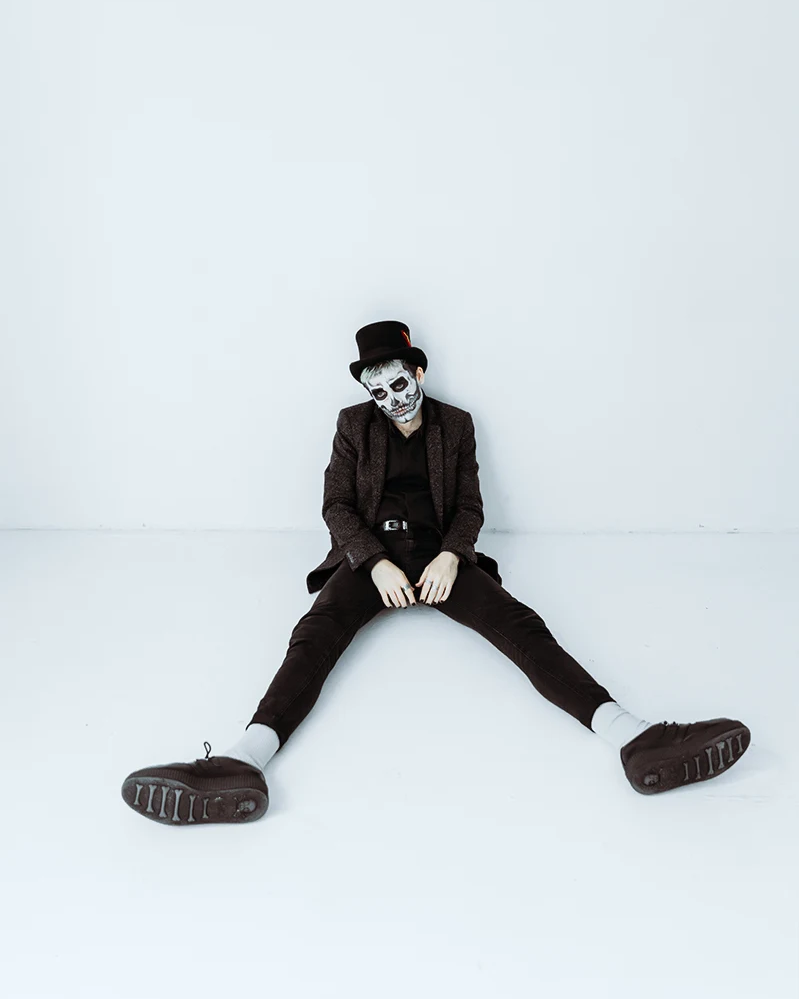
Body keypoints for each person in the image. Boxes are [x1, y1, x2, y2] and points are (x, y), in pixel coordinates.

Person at [121, 320, 751, 826]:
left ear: (417, 371)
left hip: (440, 553)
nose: (391, 401)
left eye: (398, 384)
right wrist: (372, 563)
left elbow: (471, 506)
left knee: (520, 626)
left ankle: (636, 737)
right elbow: (336, 505)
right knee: (313, 636)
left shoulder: (456, 425)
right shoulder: (351, 426)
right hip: (371, 555)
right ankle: (240, 762)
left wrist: (452, 553)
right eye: (377, 391)